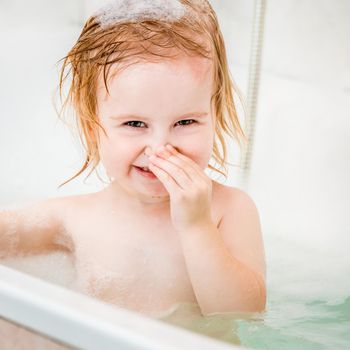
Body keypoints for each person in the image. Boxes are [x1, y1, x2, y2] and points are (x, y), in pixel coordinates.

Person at [0, 0, 266, 317]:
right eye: (135, 124)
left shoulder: (228, 211)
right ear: (93, 130)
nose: (160, 147)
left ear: (214, 116)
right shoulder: (74, 217)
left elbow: (243, 314)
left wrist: (197, 227)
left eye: (185, 123)